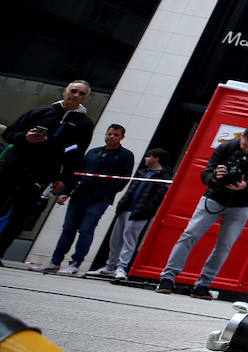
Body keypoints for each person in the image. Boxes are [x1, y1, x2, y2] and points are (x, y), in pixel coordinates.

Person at [155, 125, 248, 298]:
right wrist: (214, 176)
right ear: (242, 137)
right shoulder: (226, 147)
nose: (247, 150)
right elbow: (205, 174)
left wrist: (246, 185)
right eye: (245, 145)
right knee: (190, 234)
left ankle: (203, 284)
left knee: (225, 245)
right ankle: (167, 278)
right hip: (214, 197)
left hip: (241, 204)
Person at [0, 80, 96, 260]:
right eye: (73, 91)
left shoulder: (85, 124)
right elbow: (9, 133)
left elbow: (77, 155)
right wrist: (25, 138)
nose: (76, 95)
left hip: (41, 174)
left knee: (19, 216)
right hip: (12, 166)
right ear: (65, 91)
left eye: (81, 94)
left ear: (86, 97)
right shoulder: (40, 112)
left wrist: (63, 179)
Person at [33, 123, 134, 274]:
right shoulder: (93, 152)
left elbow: (123, 179)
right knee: (68, 228)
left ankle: (75, 263)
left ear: (122, 137)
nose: (111, 137)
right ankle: (55, 261)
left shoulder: (125, 156)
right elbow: (78, 173)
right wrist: (66, 192)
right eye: (109, 134)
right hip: (80, 195)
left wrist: (108, 193)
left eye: (116, 135)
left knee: (86, 229)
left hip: (100, 198)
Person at [87, 147, 173, 280]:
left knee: (129, 240)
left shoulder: (164, 176)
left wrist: (147, 210)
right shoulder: (142, 172)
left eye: (149, 156)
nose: (146, 158)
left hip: (140, 211)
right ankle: (110, 266)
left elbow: (158, 197)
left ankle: (121, 267)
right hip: (126, 208)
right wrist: (122, 204)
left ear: (156, 158)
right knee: (116, 239)